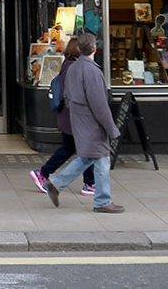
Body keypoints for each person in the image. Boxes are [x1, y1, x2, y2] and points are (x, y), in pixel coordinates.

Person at [45, 32, 124, 213]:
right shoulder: (93, 71)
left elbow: (66, 95)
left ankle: (56, 184)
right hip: (93, 123)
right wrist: (111, 128)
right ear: (95, 49)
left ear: (79, 49)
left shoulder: (72, 68)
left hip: (78, 119)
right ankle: (103, 201)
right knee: (102, 159)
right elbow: (100, 105)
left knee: (88, 157)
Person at [30, 37, 96, 196]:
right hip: (74, 116)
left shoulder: (68, 64)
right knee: (83, 149)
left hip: (69, 116)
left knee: (75, 148)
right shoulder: (75, 67)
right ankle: (45, 173)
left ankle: (88, 182)